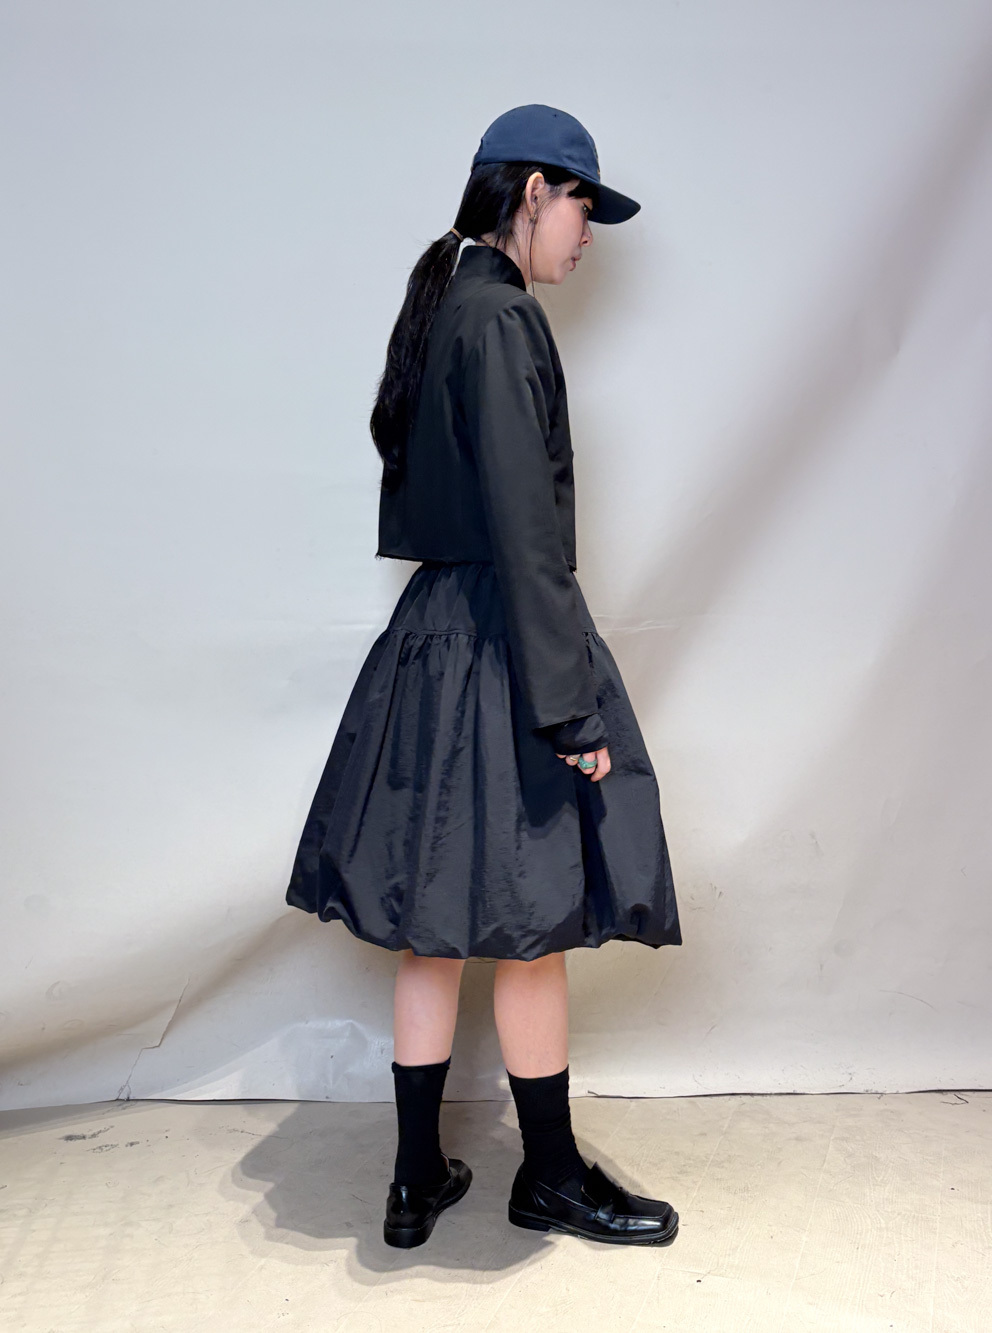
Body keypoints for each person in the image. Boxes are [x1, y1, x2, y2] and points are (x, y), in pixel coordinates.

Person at [284, 104, 682, 1249]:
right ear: (532, 191)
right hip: (500, 641)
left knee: (436, 926)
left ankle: (415, 1179)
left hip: (433, 636)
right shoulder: (502, 319)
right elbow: (523, 527)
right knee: (529, 919)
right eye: (583, 207)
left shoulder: (444, 304)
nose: (589, 233)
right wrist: (569, 709)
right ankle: (547, 1175)